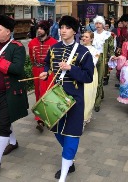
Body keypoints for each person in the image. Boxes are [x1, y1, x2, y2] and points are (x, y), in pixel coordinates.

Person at [39, 15, 94, 182]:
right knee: (56, 130)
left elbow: (88, 76)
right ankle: (69, 159)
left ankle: (63, 175)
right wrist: (45, 72)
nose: (63, 30)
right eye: (61, 27)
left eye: (67, 28)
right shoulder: (54, 48)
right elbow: (48, 63)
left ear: (74, 31)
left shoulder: (83, 52)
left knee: (71, 134)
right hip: (56, 96)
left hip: (74, 98)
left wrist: (70, 68)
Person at [0, 14, 29, 177]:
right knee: (2, 119)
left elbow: (17, 69)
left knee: (2, 123)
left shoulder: (18, 47)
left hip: (9, 93)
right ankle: (13, 142)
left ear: (8, 32)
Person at [28, 20, 57, 132]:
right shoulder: (32, 43)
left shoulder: (54, 43)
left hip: (48, 71)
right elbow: (31, 57)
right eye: (38, 28)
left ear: (46, 30)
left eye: (41, 28)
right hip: (36, 69)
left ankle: (44, 118)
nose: (39, 30)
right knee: (38, 92)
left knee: (47, 93)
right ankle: (40, 117)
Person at [92, 16, 115, 112]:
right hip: (93, 57)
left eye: (100, 23)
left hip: (102, 57)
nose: (98, 25)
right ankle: (101, 93)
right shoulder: (92, 34)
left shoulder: (108, 35)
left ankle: (97, 102)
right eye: (96, 23)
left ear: (103, 25)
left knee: (100, 79)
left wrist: (112, 56)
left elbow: (111, 48)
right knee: (94, 78)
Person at [81, 31, 99, 125]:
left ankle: (85, 117)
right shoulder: (78, 48)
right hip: (79, 74)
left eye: (86, 37)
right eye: (83, 36)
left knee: (87, 96)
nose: (84, 38)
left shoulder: (95, 51)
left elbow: (92, 64)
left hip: (89, 74)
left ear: (91, 39)